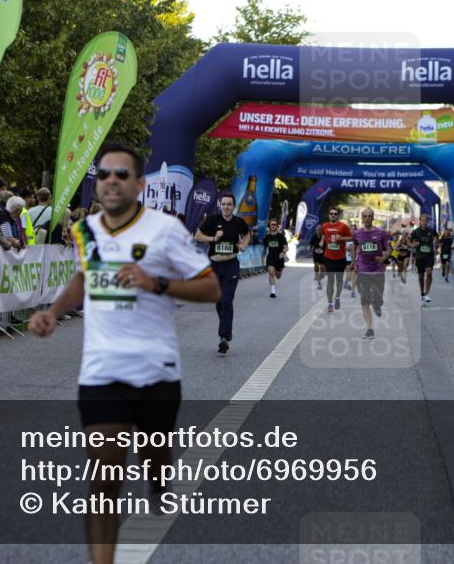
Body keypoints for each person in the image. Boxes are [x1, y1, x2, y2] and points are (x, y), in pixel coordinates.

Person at [28, 142, 220, 564]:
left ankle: (159, 481)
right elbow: (84, 278)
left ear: (139, 183)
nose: (111, 181)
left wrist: (158, 284)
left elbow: (211, 288)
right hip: (101, 371)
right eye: (104, 175)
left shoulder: (165, 230)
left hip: (157, 370)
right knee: (104, 479)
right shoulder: (85, 230)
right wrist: (54, 312)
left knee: (155, 456)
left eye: (121, 175)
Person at [195, 192, 250, 354]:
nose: (226, 207)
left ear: (233, 206)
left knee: (226, 299)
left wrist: (244, 245)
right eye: (224, 204)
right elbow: (197, 236)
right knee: (219, 301)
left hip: (231, 264)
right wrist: (213, 239)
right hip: (214, 264)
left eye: (229, 204)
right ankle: (227, 330)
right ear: (220, 205)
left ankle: (223, 337)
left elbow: (247, 234)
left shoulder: (239, 222)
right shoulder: (212, 220)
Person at [352, 208, 389, 338]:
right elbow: (354, 248)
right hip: (363, 270)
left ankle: (377, 304)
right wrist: (353, 263)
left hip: (377, 271)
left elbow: (388, 249)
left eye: (370, 216)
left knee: (377, 299)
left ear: (373, 217)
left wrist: (383, 259)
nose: (367, 218)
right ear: (362, 218)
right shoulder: (357, 234)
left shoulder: (381, 233)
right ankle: (369, 328)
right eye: (365, 216)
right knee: (364, 300)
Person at [319, 206, 352, 314]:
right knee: (330, 280)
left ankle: (337, 297)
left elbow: (351, 237)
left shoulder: (343, 226)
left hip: (341, 257)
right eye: (331, 213)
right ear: (329, 215)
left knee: (339, 280)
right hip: (329, 257)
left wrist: (341, 239)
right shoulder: (324, 226)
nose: (333, 215)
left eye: (335, 214)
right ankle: (330, 303)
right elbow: (324, 235)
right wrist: (322, 241)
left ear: (338, 215)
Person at [408, 213, 438, 304]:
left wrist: (436, 246)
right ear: (420, 221)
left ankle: (427, 294)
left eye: (425, 221)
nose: (424, 222)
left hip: (429, 255)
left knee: (429, 273)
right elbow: (408, 241)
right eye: (422, 221)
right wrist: (413, 245)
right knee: (421, 276)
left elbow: (437, 236)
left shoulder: (431, 230)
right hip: (420, 256)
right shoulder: (416, 232)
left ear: (427, 222)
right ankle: (421, 293)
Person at [262, 218, 287, 298]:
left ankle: (279, 271)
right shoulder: (267, 237)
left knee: (278, 276)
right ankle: (272, 291)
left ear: (277, 226)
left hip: (279, 258)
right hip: (271, 257)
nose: (273, 226)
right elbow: (265, 249)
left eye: (274, 224)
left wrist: (283, 252)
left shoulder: (281, 236)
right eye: (271, 224)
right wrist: (262, 257)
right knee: (271, 273)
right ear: (269, 225)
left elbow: (286, 247)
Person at [310, 225, 326, 289]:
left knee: (323, 271)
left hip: (323, 256)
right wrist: (310, 249)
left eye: (319, 230)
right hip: (316, 255)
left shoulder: (324, 237)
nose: (318, 231)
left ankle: (318, 277)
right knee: (316, 266)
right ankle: (319, 283)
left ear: (322, 231)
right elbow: (310, 245)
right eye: (317, 230)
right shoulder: (314, 237)